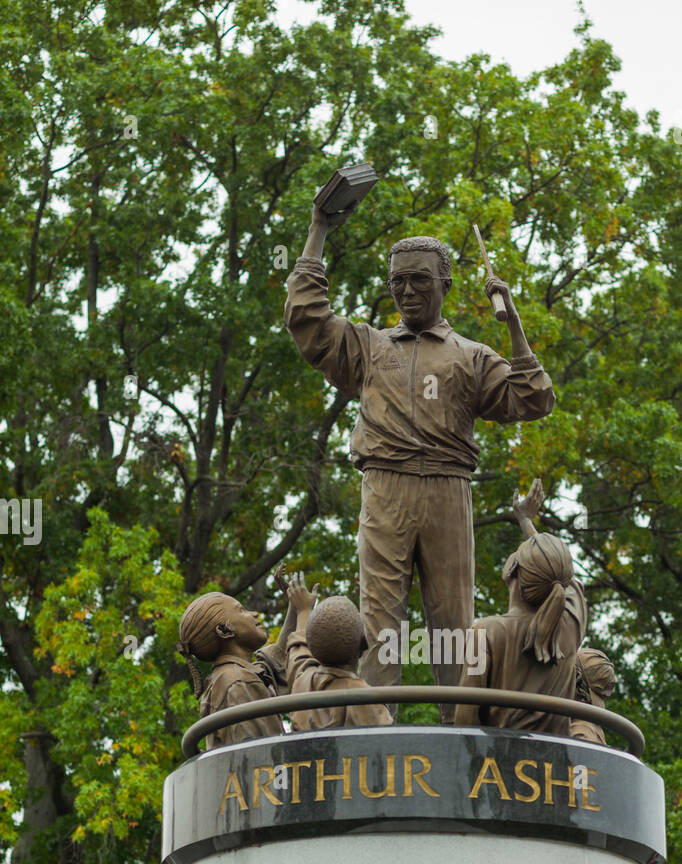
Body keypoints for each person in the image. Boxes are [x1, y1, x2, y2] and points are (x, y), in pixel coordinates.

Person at [284, 198, 555, 717]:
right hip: (384, 486)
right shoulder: (368, 347)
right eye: (398, 281)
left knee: (454, 624)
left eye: (420, 281)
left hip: (449, 490)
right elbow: (307, 318)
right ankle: (376, 729)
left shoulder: (470, 356)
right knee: (380, 621)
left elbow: (533, 397)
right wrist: (318, 227)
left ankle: (463, 731)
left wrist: (514, 324)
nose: (407, 291)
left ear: (445, 285)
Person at [512, 479, 615, 743]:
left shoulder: (500, 634)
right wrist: (526, 521)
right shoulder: (569, 632)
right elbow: (563, 580)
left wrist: (525, 520)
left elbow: (554, 572)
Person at [452, 533, 581, 737]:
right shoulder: (568, 631)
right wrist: (528, 523)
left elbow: (465, 718)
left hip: (499, 760)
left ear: (512, 568)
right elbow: (568, 582)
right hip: (556, 762)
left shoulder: (485, 632)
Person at [177, 590, 291, 749]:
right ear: (224, 630)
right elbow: (260, 756)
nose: (255, 614)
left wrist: (297, 608)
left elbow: (274, 662)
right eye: (242, 610)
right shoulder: (238, 682)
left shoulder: (231, 676)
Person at [283, 572, 392, 731]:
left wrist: (303, 611)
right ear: (363, 644)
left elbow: (299, 655)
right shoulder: (370, 702)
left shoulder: (302, 684)